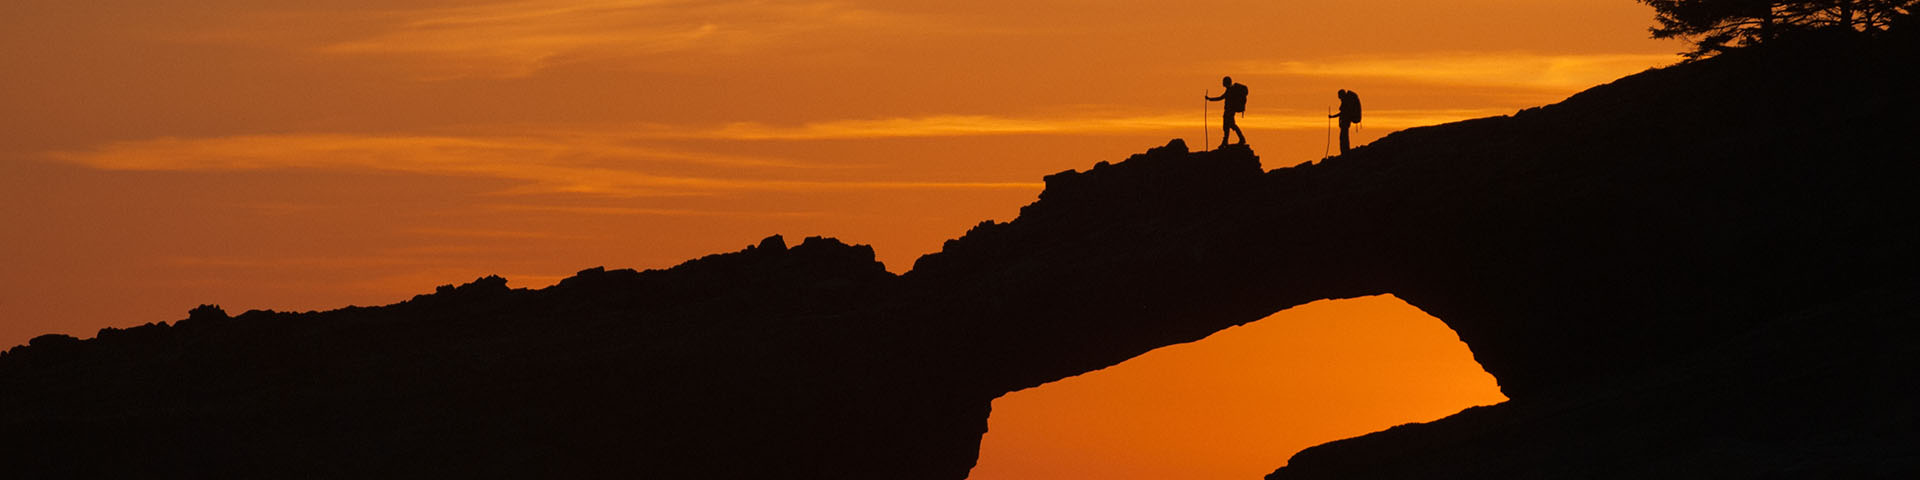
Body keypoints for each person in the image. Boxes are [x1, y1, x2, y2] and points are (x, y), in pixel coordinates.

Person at [1205, 76, 1249, 148]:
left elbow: (1220, 98)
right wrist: (1210, 99)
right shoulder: (1230, 90)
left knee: (1227, 126)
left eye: (1224, 82)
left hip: (1229, 112)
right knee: (1230, 126)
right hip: (1230, 111)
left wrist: (1210, 99)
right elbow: (1221, 97)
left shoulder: (1230, 91)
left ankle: (1229, 141)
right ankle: (1236, 139)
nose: (1223, 83)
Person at [1328, 89, 1361, 155]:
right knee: (1344, 136)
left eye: (1339, 95)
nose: (1338, 97)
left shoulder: (1346, 102)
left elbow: (1342, 113)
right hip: (1345, 123)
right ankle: (1345, 151)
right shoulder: (1346, 101)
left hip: (1345, 123)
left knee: (1343, 137)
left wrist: (1332, 116)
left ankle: (1345, 151)